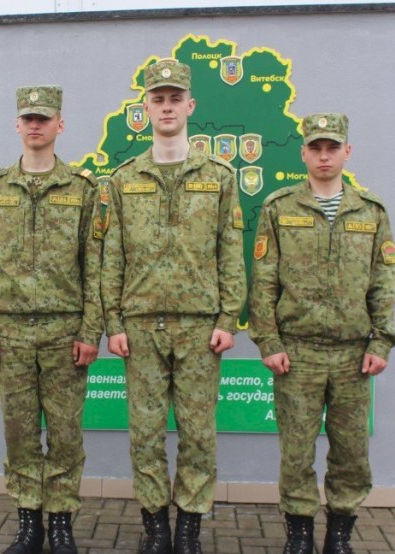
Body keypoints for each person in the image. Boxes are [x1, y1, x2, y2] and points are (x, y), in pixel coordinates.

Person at [101, 58, 246, 554]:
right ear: (145, 108)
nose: (166, 107)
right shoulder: (123, 178)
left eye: (174, 98)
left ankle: (188, 531)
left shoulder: (219, 176)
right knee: (144, 434)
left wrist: (229, 318)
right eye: (157, 99)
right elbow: (112, 256)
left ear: (190, 105)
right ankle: (155, 530)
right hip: (139, 326)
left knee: (198, 434)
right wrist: (112, 322)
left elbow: (230, 251)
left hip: (200, 327)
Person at [248, 113, 395, 554]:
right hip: (298, 353)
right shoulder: (279, 208)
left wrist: (381, 340)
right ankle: (298, 536)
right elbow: (264, 280)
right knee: (296, 452)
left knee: (350, 453)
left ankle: (339, 535)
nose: (324, 155)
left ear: (347, 152)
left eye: (333, 147)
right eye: (316, 147)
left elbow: (383, 282)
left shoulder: (370, 211)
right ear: (304, 153)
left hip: (354, 356)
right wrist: (269, 342)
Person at [0, 85, 104, 554]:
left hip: (64, 333)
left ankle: (62, 521)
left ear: (59, 125)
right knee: (20, 430)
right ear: (17, 124)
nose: (35, 125)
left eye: (44, 118)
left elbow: (95, 268)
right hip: (10, 332)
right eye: (27, 118)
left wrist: (91, 331)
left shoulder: (83, 189)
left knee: (65, 432)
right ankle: (29, 523)